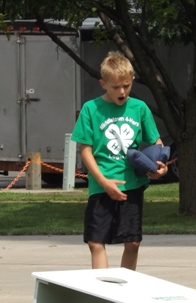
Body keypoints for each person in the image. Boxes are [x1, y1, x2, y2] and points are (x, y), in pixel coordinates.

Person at [71, 51, 168, 270]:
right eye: (115, 87)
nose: (122, 91)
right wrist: (103, 181)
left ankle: (126, 290)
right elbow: (85, 150)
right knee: (96, 241)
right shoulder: (90, 109)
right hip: (101, 185)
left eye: (126, 85)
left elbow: (157, 143)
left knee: (132, 242)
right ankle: (102, 289)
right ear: (103, 83)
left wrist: (159, 166)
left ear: (132, 79)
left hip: (131, 184)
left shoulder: (139, 108)